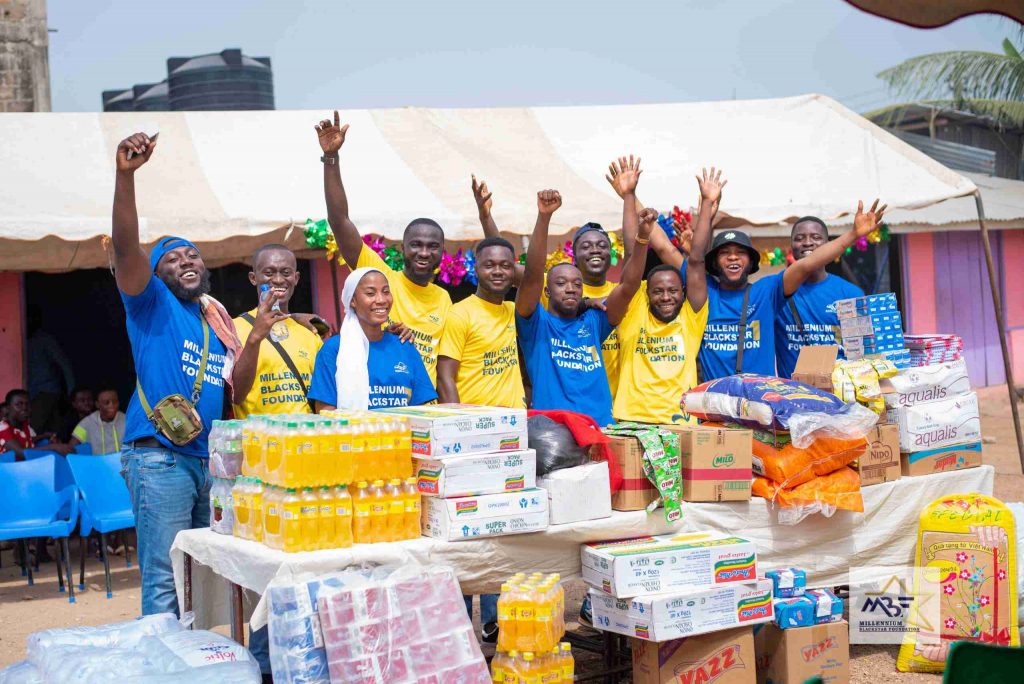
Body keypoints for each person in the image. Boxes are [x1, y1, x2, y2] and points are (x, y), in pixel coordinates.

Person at [111, 132, 240, 617]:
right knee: (165, 578)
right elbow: (126, 249)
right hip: (159, 460)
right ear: (154, 272)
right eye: (171, 257)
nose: (186, 261)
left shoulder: (212, 318)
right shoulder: (150, 304)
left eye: (192, 255)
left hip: (205, 464)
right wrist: (126, 178)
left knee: (206, 578)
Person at [615, 161, 887, 380]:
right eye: (725, 253)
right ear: (714, 261)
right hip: (714, 409)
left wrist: (852, 234)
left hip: (762, 407)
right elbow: (662, 246)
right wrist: (630, 195)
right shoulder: (702, 289)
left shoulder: (767, 292)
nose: (733, 258)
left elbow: (805, 265)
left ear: (750, 262)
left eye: (740, 254)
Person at [315, 111, 452, 385]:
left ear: (441, 253)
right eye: (416, 245)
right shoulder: (380, 275)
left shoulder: (444, 300)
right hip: (381, 400)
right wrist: (332, 159)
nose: (424, 253)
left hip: (426, 406)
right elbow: (339, 221)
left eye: (432, 246)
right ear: (402, 249)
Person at [515, 179, 654, 427]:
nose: (570, 288)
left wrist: (642, 238)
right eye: (561, 283)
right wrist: (544, 217)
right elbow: (532, 275)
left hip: (600, 428)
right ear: (546, 290)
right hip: (553, 430)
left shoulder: (594, 321)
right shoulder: (536, 324)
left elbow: (629, 286)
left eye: (577, 284)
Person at [473, 176, 623, 394]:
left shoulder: (618, 294)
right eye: (586, 246)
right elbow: (506, 266)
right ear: (574, 254)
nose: (595, 251)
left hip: (609, 406)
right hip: (560, 397)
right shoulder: (551, 283)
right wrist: (486, 217)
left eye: (602, 245)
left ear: (612, 252)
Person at [609, 164, 714, 424]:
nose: (666, 297)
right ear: (646, 293)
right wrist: (629, 197)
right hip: (632, 422)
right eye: (657, 291)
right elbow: (632, 257)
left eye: (672, 291)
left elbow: (697, 261)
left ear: (683, 293)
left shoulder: (691, 319)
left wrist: (708, 204)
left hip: (681, 425)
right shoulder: (635, 311)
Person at [309, 267, 436, 412]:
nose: (381, 300)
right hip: (353, 434)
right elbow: (326, 413)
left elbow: (420, 411)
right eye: (370, 293)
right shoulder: (334, 349)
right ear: (352, 301)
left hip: (402, 434)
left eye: (386, 292)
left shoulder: (404, 345)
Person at [232, 244, 324, 418]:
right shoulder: (234, 328)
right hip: (258, 439)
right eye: (269, 272)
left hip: (304, 439)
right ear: (253, 278)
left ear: (296, 278)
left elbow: (323, 396)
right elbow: (235, 395)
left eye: (286, 273)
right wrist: (255, 337)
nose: (279, 280)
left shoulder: (309, 332)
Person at [774, 217, 865, 378]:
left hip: (838, 395)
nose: (807, 243)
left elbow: (862, 353)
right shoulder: (776, 291)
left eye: (816, 237)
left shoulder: (850, 294)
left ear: (829, 245)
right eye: (799, 238)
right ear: (791, 246)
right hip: (792, 396)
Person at [69, 388, 126, 455]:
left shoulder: (127, 419)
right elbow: (71, 448)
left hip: (124, 464)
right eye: (106, 402)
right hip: (98, 464)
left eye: (115, 401)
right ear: (97, 404)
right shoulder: (86, 423)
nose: (112, 405)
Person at [0, 390, 37, 460]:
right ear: (8, 408)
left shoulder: (24, 426)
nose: (24, 408)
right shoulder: (2, 427)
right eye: (18, 404)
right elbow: (22, 453)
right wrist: (53, 448)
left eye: (27, 404)